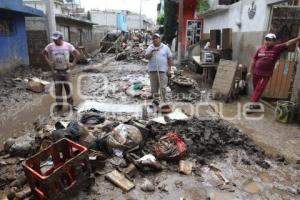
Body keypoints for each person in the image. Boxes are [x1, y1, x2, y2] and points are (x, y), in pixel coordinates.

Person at [247, 33, 300, 110]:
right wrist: (249, 71)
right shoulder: (260, 49)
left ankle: (252, 105)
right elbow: (253, 60)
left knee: (259, 89)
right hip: (255, 73)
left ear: (274, 41)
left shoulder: (277, 48)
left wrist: (298, 38)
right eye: (266, 39)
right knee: (256, 89)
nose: (267, 41)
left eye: (269, 40)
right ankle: (255, 104)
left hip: (265, 75)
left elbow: (288, 43)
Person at [42, 31, 80, 112]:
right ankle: (59, 106)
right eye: (54, 39)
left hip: (66, 71)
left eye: (56, 39)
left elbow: (77, 53)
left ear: (61, 38)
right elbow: (44, 53)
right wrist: (49, 62)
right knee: (58, 90)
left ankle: (71, 106)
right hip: (56, 72)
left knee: (68, 89)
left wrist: (73, 63)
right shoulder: (50, 46)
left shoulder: (68, 45)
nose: (55, 41)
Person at [144, 33, 173, 100]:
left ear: (160, 39)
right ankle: (155, 102)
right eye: (153, 38)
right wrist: (152, 52)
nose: (155, 39)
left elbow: (170, 58)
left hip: (163, 71)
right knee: (154, 89)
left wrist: (169, 69)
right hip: (152, 71)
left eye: (156, 38)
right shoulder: (150, 47)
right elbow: (146, 57)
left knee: (163, 88)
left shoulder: (165, 47)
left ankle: (163, 101)